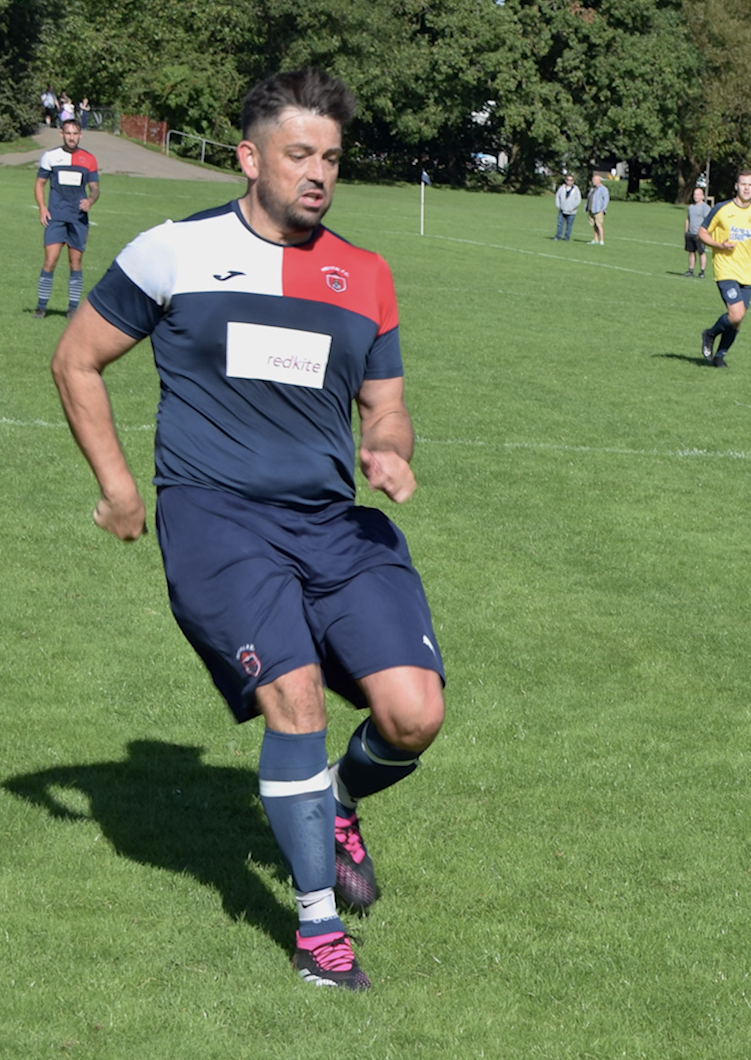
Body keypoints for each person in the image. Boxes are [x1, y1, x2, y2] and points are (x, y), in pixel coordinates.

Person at [47, 68, 443, 992]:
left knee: (414, 715)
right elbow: (77, 359)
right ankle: (316, 930)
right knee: (296, 701)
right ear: (249, 157)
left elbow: (386, 405)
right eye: (300, 154)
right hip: (217, 517)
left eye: (331, 158)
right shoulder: (172, 253)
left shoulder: (366, 275)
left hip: (333, 522)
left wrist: (386, 448)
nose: (318, 173)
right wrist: (116, 488)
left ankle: (339, 802)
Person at [696, 170, 751, 367]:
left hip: (746, 274)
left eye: (750, 185)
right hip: (725, 270)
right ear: (736, 186)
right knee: (736, 314)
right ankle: (710, 333)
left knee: (737, 320)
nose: (746, 188)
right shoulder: (722, 209)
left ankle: (719, 356)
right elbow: (702, 232)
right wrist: (718, 245)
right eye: (743, 184)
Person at [33, 118, 101, 318]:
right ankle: (41, 306)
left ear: (80, 135)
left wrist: (90, 200)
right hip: (56, 216)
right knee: (50, 260)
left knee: (75, 263)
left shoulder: (89, 159)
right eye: (68, 133)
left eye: (75, 133)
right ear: (62, 134)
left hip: (78, 219)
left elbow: (95, 188)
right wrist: (42, 208)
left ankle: (72, 309)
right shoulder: (50, 157)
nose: (71, 137)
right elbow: (39, 184)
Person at [683, 183, 712, 276]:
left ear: (702, 196)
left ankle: (702, 271)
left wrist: (703, 233)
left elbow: (708, 221)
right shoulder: (691, 207)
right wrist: (686, 230)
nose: (695, 196)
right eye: (694, 194)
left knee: (701, 252)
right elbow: (688, 219)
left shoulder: (705, 207)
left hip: (699, 235)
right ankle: (690, 270)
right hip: (690, 234)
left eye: (698, 194)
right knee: (691, 252)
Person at [552, 172, 581, 241]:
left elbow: (578, 200)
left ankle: (567, 237)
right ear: (565, 180)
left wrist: (572, 207)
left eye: (571, 180)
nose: (569, 181)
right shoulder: (562, 188)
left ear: (573, 181)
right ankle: (558, 236)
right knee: (560, 224)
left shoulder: (576, 189)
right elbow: (557, 197)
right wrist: (558, 206)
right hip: (562, 210)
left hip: (572, 211)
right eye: (568, 180)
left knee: (569, 225)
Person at [586, 172, 609, 244]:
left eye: (595, 180)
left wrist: (602, 209)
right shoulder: (592, 188)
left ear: (599, 180)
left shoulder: (603, 189)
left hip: (598, 210)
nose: (593, 181)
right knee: (594, 225)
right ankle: (596, 239)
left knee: (599, 225)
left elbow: (606, 200)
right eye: (593, 180)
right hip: (591, 209)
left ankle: (601, 240)